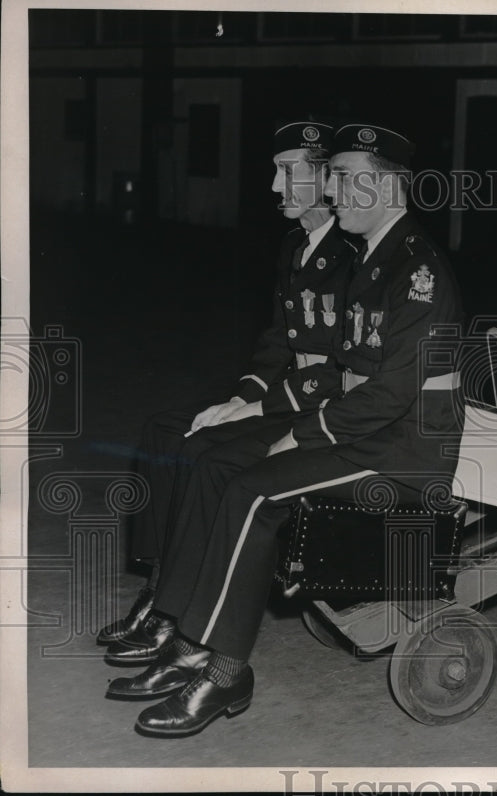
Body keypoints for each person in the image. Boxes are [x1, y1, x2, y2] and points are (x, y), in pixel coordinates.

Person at [107, 123, 464, 737]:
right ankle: (190, 641)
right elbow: (340, 369)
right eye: (333, 177)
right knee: (218, 465)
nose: (334, 190)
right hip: (363, 432)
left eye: (349, 179)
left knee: (254, 491)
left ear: (389, 189)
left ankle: (225, 672)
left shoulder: (417, 273)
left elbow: (391, 392)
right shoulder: (375, 258)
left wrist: (303, 433)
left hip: (404, 451)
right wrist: (279, 412)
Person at [99, 120, 355, 663]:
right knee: (165, 433)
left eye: (288, 173)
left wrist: (261, 406)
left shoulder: (354, 255)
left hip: (318, 408)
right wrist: (242, 398)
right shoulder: (295, 245)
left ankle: (177, 611)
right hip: (284, 393)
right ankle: (160, 586)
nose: (274, 187)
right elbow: (276, 341)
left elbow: (338, 370)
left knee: (201, 451)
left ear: (324, 180)